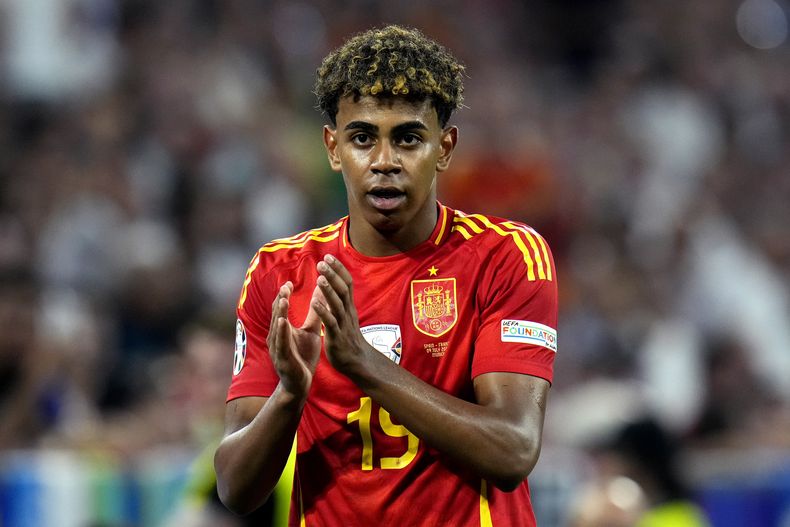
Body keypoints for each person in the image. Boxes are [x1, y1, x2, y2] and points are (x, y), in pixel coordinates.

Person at [214, 24, 558, 526]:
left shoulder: (506, 256)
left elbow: (514, 449)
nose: (384, 162)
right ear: (333, 149)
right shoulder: (279, 272)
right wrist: (289, 395)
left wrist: (362, 364)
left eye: (408, 138)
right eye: (362, 138)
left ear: (445, 147)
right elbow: (235, 489)